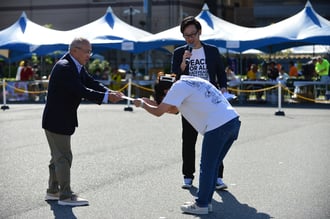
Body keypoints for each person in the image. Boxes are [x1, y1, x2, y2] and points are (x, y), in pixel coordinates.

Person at [133, 75, 241, 215]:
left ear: (166, 91)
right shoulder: (191, 81)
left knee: (207, 166)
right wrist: (149, 103)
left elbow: (159, 112)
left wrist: (142, 104)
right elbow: (173, 110)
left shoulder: (177, 88)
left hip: (218, 126)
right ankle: (205, 202)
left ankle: (201, 204)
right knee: (213, 165)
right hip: (232, 121)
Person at [42, 37, 123, 206]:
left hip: (57, 119)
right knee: (63, 157)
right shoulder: (65, 67)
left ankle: (53, 191)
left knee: (57, 158)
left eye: (90, 51)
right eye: (86, 51)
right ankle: (65, 195)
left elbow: (91, 82)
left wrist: (110, 92)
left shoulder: (75, 65)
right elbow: (81, 90)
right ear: (74, 51)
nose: (89, 55)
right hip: (57, 120)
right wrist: (107, 97)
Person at [171, 16, 228, 190]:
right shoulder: (179, 52)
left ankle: (217, 177)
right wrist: (182, 64)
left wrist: (224, 87)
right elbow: (174, 76)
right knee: (188, 139)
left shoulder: (211, 51)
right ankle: (188, 176)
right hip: (189, 102)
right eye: (186, 35)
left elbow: (220, 72)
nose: (190, 38)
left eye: (192, 34)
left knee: (215, 140)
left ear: (199, 32)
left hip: (210, 100)